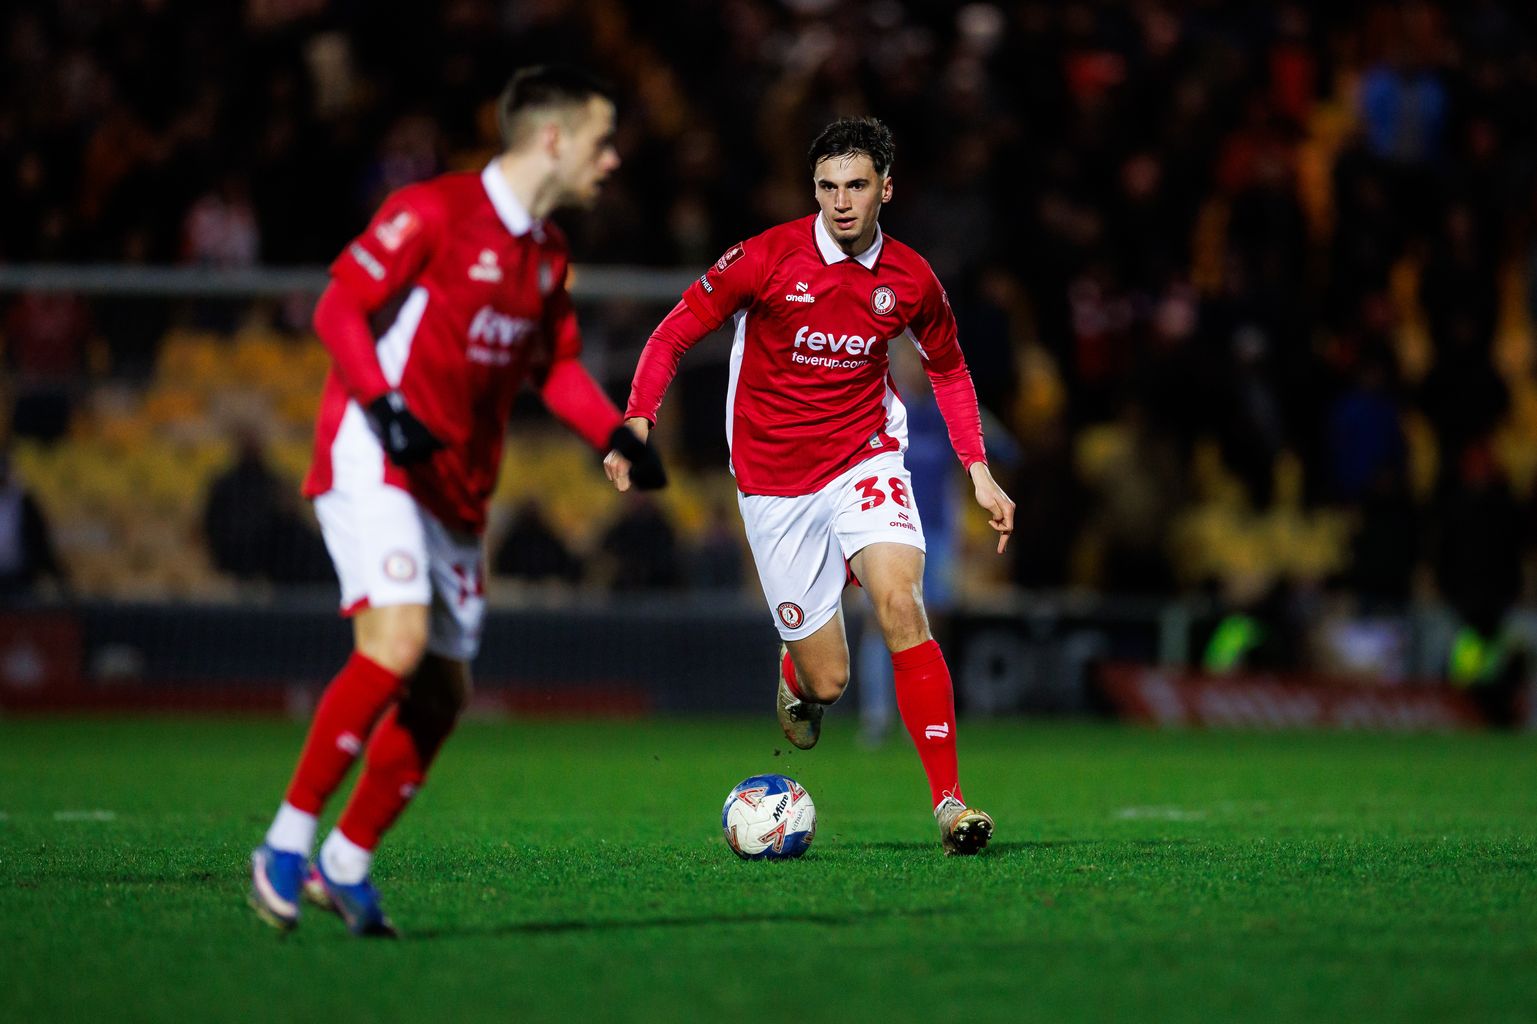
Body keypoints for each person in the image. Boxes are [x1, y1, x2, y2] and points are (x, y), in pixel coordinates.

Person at [249, 66, 666, 937]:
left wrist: (615, 434)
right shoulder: (432, 211)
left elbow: (554, 367)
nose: (612, 160)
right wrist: (384, 408)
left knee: (441, 691)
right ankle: (283, 844)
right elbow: (338, 309)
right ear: (551, 138)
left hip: (457, 487)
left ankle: (345, 862)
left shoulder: (547, 255)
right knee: (396, 643)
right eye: (601, 141)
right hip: (377, 453)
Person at [608, 117, 1014, 855]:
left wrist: (977, 470)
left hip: (865, 457)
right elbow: (672, 332)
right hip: (773, 485)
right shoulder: (765, 258)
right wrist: (637, 421)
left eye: (856, 185)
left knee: (901, 603)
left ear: (886, 189)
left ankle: (950, 803)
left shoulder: (911, 279)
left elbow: (949, 369)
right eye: (827, 187)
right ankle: (796, 673)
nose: (841, 202)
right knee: (828, 683)